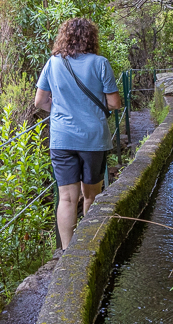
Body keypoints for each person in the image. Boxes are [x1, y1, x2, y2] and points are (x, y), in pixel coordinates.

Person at [34, 17, 123, 250]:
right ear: (91, 38)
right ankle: (87, 246)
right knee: (91, 195)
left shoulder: (53, 63)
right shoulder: (100, 63)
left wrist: (63, 108)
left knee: (66, 198)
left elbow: (40, 101)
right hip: (93, 138)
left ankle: (66, 252)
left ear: (64, 37)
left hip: (62, 139)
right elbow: (114, 103)